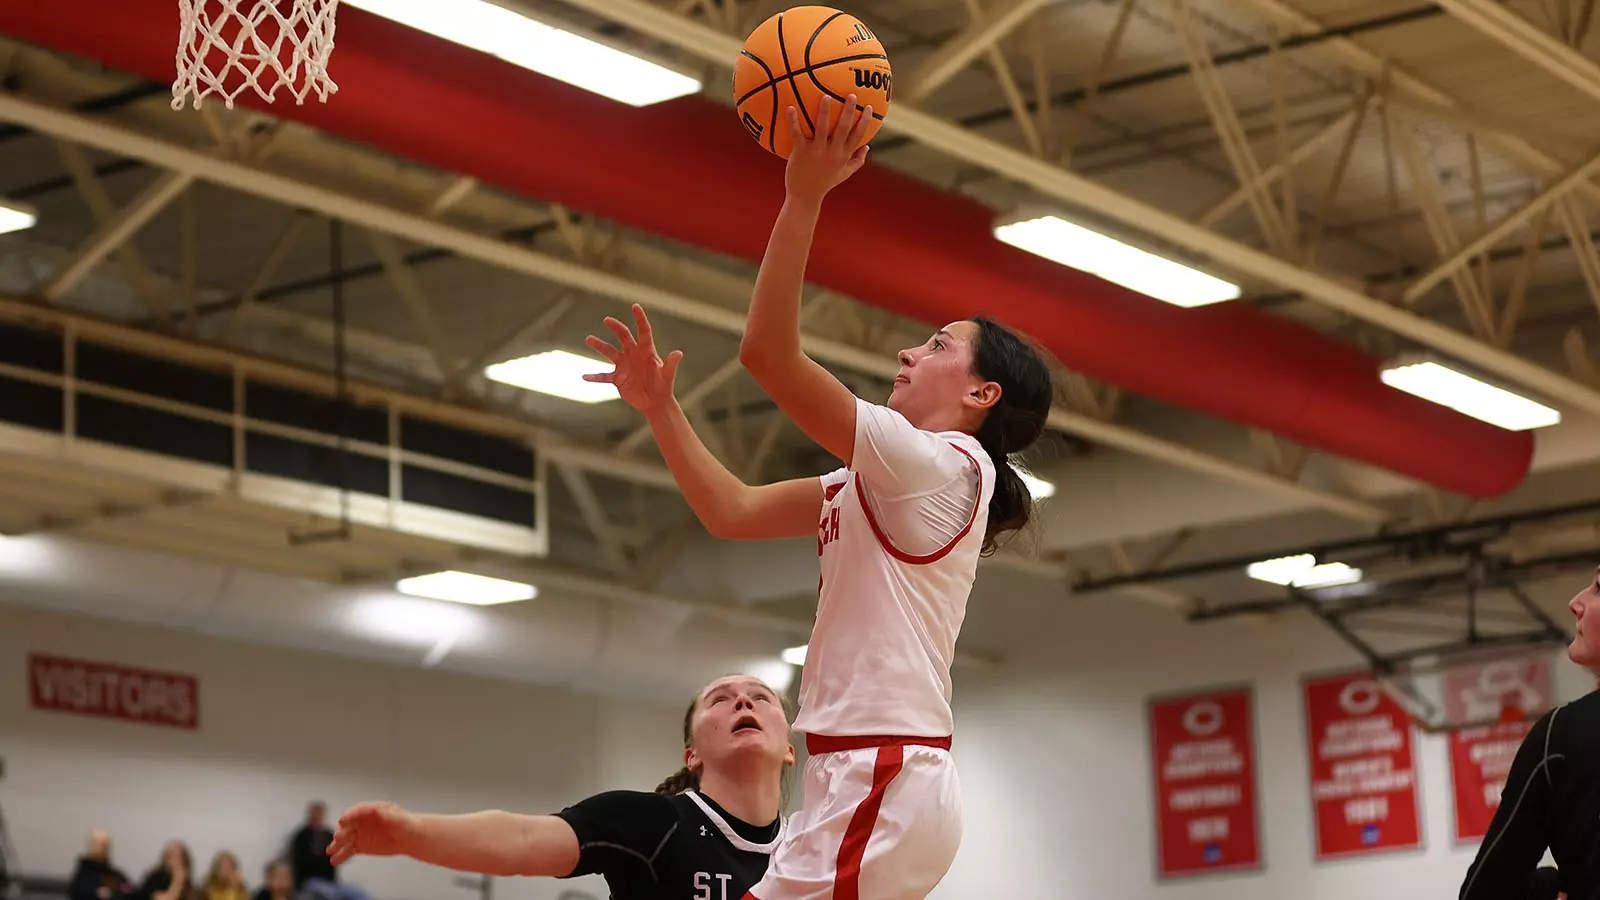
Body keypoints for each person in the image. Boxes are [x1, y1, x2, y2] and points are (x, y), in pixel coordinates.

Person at [582, 94, 1054, 900]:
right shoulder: (888, 479)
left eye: (938, 344)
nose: (909, 351)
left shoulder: (942, 467)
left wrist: (804, 197)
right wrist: (662, 412)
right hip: (864, 775)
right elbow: (730, 512)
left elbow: (768, 354)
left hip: (882, 771)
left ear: (982, 394)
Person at [325, 674, 794, 899]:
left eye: (759, 697)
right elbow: (524, 838)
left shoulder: (819, 845)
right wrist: (413, 833)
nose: (741, 702)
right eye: (720, 699)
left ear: (790, 747)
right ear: (691, 753)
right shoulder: (651, 823)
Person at [1458, 566, 1600, 900]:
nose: (1575, 602)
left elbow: (1483, 893)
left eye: (1598, 588)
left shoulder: (1561, 736)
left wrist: (1551, 884)